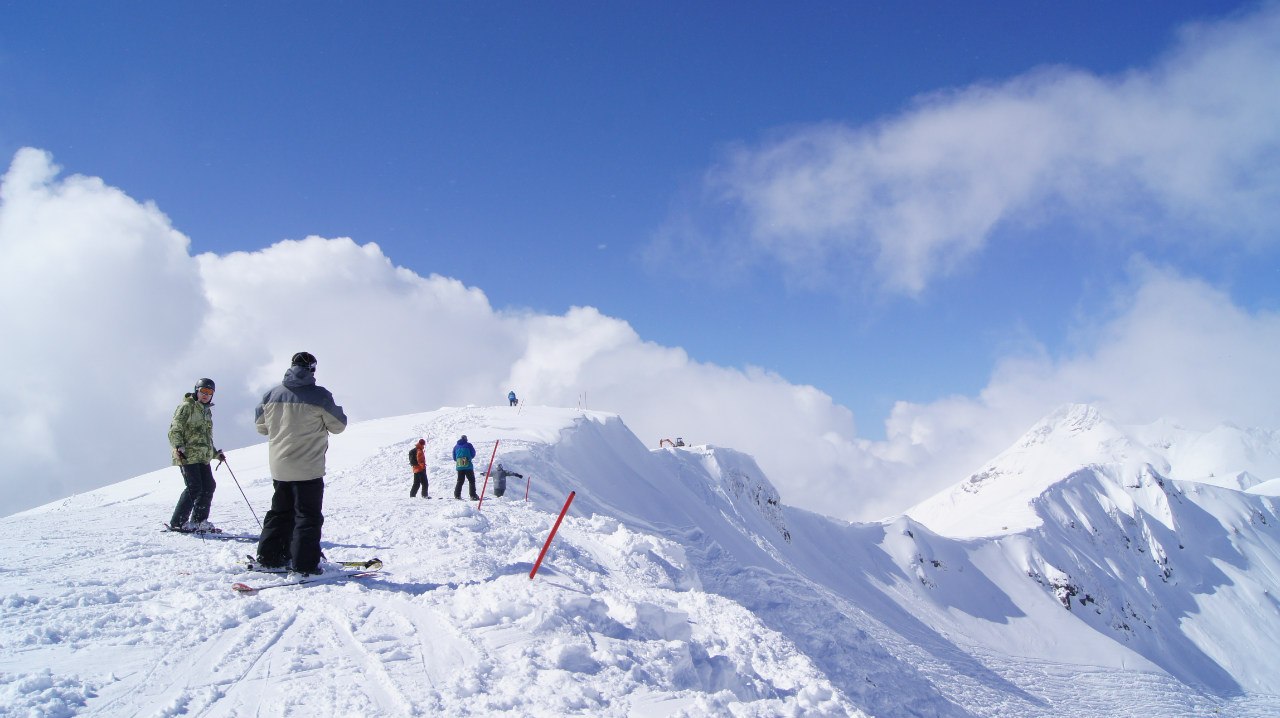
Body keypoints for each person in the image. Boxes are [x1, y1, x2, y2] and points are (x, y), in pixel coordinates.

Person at [254, 352, 347, 575]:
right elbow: (338, 425)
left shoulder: (271, 394)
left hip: (279, 466)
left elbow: (261, 426)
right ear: (312, 369)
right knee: (307, 516)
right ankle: (304, 564)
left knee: (280, 512)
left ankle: (270, 557)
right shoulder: (320, 396)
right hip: (308, 467)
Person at [167, 378, 226, 531]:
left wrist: (215, 454)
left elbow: (205, 438)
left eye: (209, 392)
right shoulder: (187, 407)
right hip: (187, 454)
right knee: (194, 487)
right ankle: (178, 522)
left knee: (208, 486)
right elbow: (175, 429)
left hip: (201, 456)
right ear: (197, 391)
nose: (206, 395)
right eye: (203, 391)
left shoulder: (206, 411)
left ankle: (199, 521)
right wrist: (178, 446)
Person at [453, 434, 479, 500]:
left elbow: (454, 457)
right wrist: (468, 458)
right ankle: (473, 496)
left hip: (459, 466)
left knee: (460, 481)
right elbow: (473, 453)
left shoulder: (456, 446)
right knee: (471, 481)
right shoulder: (468, 445)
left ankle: (457, 495)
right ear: (466, 439)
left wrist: (459, 461)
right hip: (468, 466)